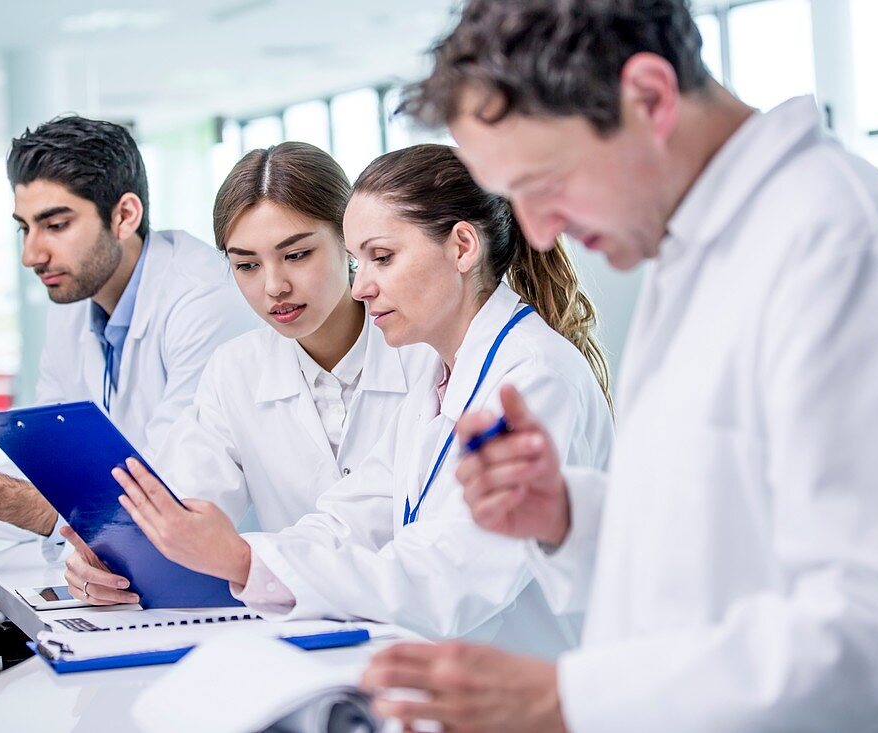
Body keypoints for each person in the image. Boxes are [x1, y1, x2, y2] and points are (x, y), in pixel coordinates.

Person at [360, 1, 878, 731]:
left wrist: (569, 699)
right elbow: (733, 541)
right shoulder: (695, 251)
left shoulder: (841, 244)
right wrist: (567, 515)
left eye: (543, 183)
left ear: (648, 98)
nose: (540, 231)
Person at [109, 143, 615, 657]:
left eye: (382, 258)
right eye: (361, 261)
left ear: (462, 248)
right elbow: (355, 515)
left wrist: (245, 560)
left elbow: (454, 578)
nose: (363, 287)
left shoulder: (531, 377)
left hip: (536, 695)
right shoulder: (443, 376)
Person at [61, 142, 438, 606]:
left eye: (296, 255)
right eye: (246, 265)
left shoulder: (427, 353)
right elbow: (183, 503)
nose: (274, 286)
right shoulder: (236, 371)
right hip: (306, 631)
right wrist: (109, 559)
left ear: (349, 240)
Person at [0, 116, 255, 545]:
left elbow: (167, 503)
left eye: (55, 226)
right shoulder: (74, 301)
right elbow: (43, 467)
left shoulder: (204, 301)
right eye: (24, 227)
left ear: (125, 215)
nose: (31, 255)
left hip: (228, 580)